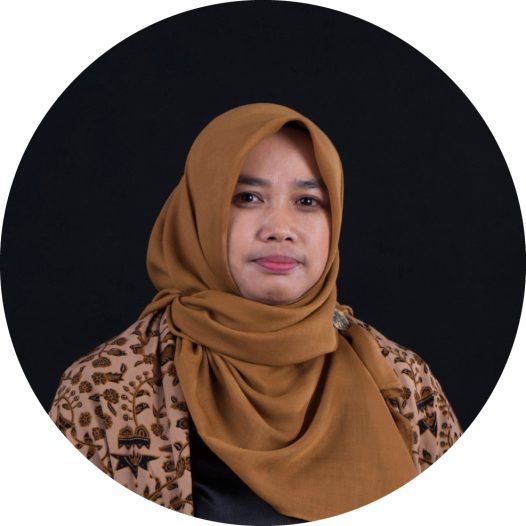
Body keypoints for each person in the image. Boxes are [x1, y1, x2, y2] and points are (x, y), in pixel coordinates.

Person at [48, 102, 462, 524]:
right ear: (200, 212)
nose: (280, 228)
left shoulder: (404, 383)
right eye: (247, 197)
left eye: (307, 200)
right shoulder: (105, 391)